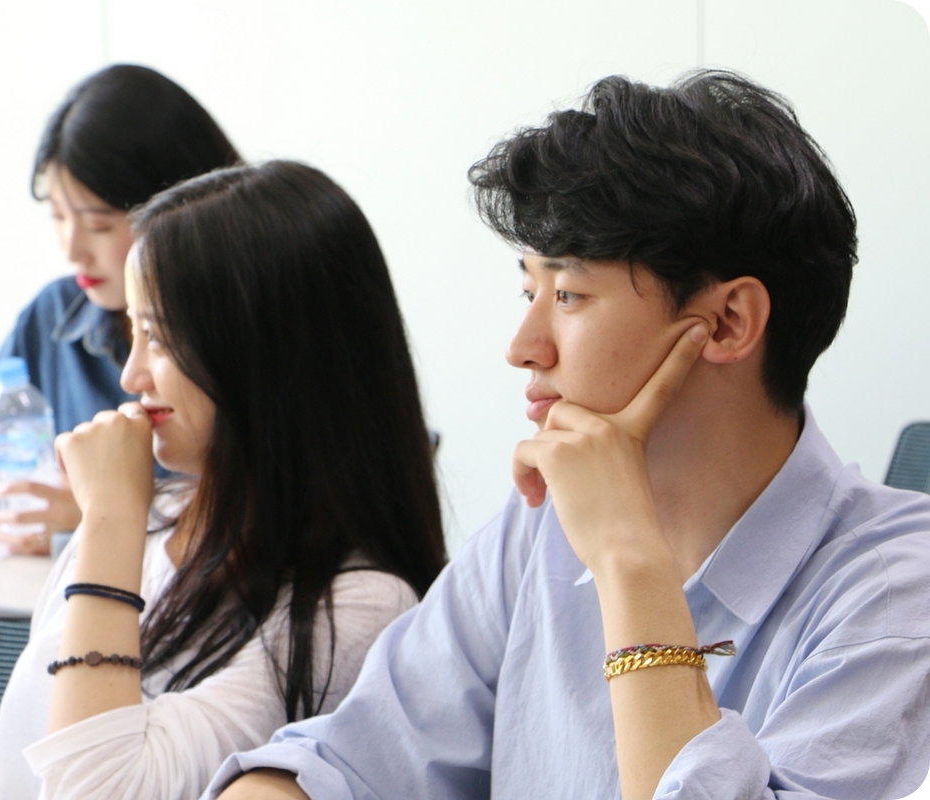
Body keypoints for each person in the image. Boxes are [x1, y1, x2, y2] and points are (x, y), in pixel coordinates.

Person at [207, 71, 930, 800]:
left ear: (726, 323)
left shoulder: (900, 593)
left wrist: (628, 558)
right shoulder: (541, 532)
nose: (523, 347)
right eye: (530, 291)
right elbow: (340, 765)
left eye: (569, 294)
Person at [0, 160, 447, 799]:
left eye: (158, 336)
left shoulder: (357, 608)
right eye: (132, 331)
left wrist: (111, 520)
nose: (130, 376)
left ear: (263, 353)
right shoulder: (153, 521)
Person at [0, 64, 239, 555]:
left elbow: (273, 508)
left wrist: (110, 516)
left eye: (100, 225)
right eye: (58, 217)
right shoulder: (57, 315)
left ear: (189, 205)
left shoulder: (246, 327)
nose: (72, 249)